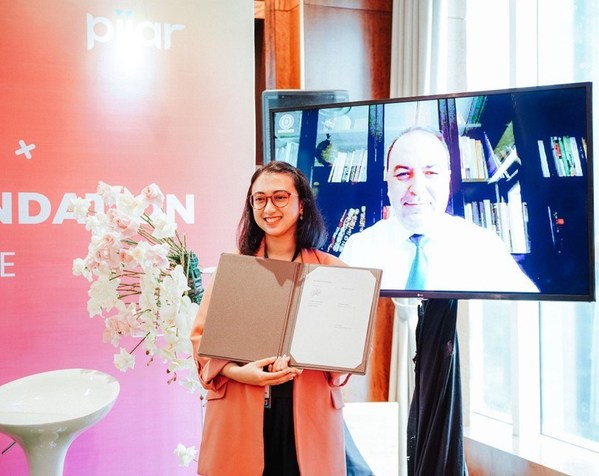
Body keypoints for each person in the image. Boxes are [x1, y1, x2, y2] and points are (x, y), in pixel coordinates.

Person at [190, 161, 352, 476]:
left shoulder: (332, 271)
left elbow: (350, 347)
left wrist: (316, 355)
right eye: (259, 199)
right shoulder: (234, 267)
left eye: (280, 197)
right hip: (240, 410)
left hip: (308, 416)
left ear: (302, 205)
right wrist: (239, 372)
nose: (268, 208)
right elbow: (201, 340)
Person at [340, 126, 539, 293]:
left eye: (431, 173)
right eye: (402, 174)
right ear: (388, 182)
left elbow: (527, 315)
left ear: (447, 180)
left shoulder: (484, 246)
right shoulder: (357, 250)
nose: (417, 188)